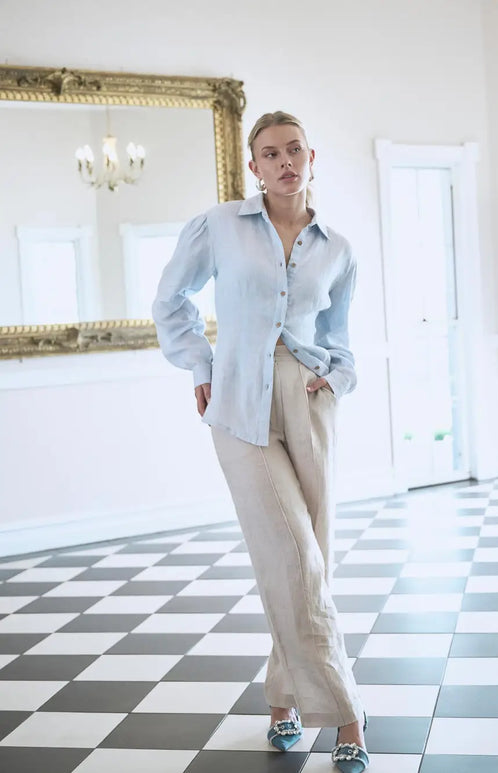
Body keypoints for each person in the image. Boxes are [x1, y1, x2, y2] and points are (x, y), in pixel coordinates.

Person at [152, 110, 368, 772]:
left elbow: (341, 339)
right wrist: (201, 365)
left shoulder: (337, 247)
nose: (284, 162)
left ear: (312, 156)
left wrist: (332, 378)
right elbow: (170, 302)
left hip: (307, 400)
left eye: (294, 149)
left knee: (308, 557)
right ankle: (347, 714)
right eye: (270, 153)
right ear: (254, 166)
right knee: (295, 556)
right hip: (237, 403)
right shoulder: (218, 226)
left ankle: (282, 698)